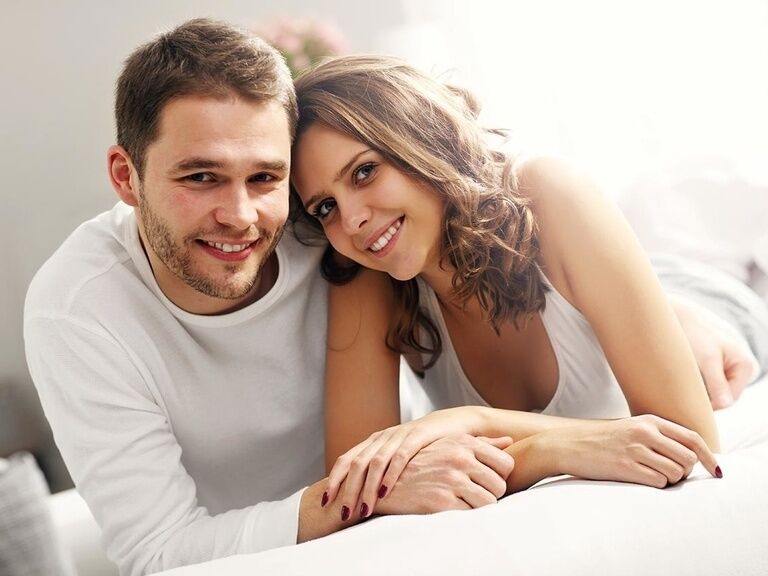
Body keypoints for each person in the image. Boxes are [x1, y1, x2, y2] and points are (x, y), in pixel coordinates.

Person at [23, 20, 517, 576]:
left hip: (401, 523)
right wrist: (362, 496)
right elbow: (157, 552)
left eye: (264, 178)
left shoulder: (333, 228)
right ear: (126, 177)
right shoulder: (76, 309)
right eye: (201, 177)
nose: (239, 217)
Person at [290, 54, 767, 521]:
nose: (351, 219)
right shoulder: (366, 269)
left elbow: (687, 439)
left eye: (365, 171)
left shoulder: (547, 189)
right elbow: (359, 485)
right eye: (324, 207)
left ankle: (675, 304)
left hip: (708, 302)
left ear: (416, 139)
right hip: (601, 281)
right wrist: (548, 449)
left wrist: (473, 423)